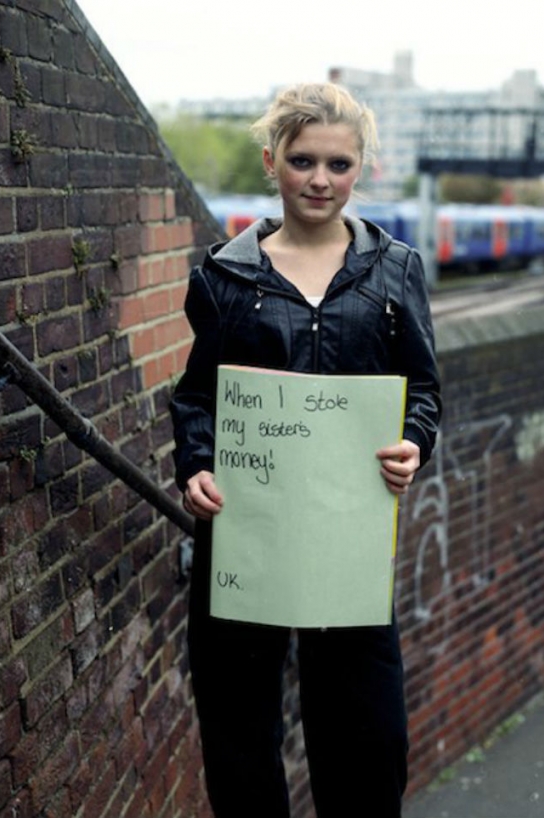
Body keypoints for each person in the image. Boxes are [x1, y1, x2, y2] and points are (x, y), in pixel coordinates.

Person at [170, 82, 441, 818]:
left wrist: (413, 444)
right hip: (246, 539)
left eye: (338, 164)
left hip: (346, 540)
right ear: (272, 162)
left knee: (367, 738)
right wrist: (194, 465)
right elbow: (198, 397)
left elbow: (422, 389)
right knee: (240, 738)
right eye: (302, 160)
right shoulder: (226, 276)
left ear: (360, 171)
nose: (320, 179)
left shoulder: (395, 273)